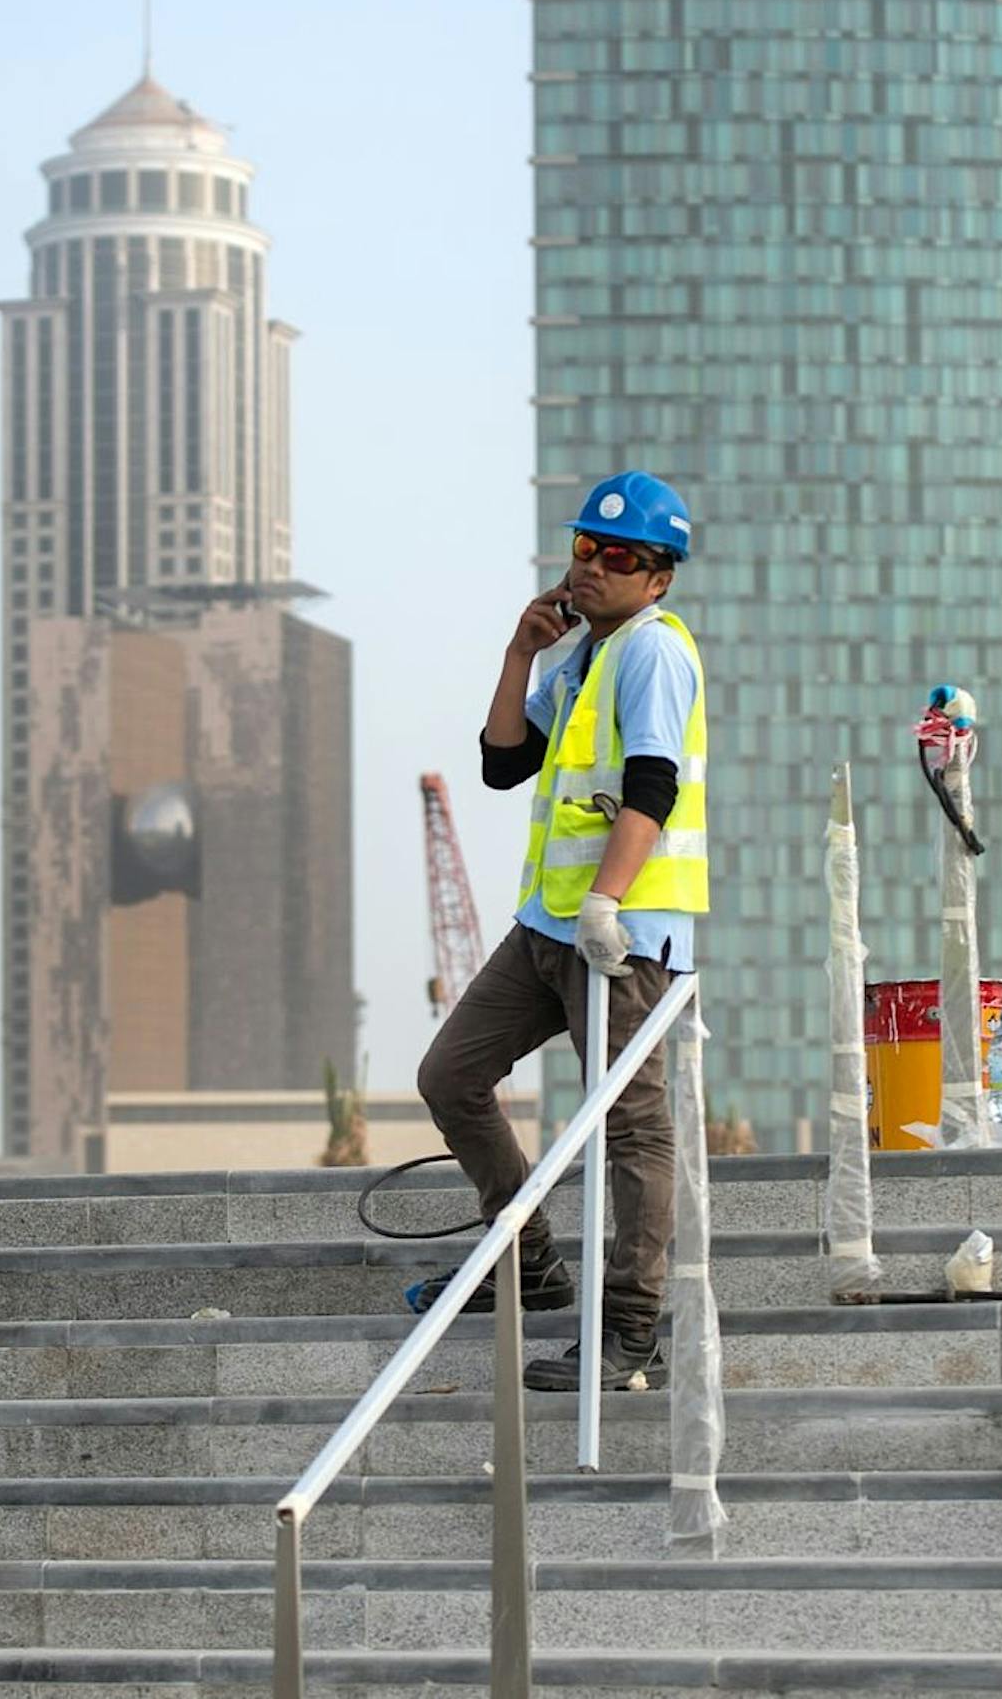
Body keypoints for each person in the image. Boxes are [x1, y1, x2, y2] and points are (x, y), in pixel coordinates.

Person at [413, 469, 707, 1391]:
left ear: (658, 578)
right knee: (450, 1075)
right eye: (585, 548)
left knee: (631, 1123)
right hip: (547, 926)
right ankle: (529, 1262)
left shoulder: (652, 651)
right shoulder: (581, 660)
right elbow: (505, 764)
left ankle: (632, 1329)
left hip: (620, 932)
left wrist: (607, 903)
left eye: (619, 557)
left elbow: (653, 786)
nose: (593, 567)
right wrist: (520, 653)